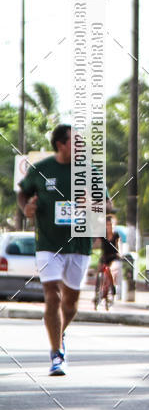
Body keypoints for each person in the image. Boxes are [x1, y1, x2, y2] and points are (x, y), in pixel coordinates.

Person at [17, 123, 112, 376]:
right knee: (52, 296)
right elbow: (23, 193)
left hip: (79, 245)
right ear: (61, 144)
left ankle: (58, 330)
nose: (82, 146)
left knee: (70, 303)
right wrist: (26, 208)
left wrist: (91, 203)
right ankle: (57, 354)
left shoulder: (89, 171)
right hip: (48, 244)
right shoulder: (42, 169)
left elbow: (109, 205)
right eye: (76, 141)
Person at [94, 214, 121, 309]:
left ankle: (112, 289)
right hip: (104, 257)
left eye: (112, 224)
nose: (110, 226)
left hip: (114, 257)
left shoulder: (116, 235)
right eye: (108, 224)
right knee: (99, 271)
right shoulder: (103, 235)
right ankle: (97, 292)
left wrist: (120, 253)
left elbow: (119, 246)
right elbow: (96, 244)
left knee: (111, 270)